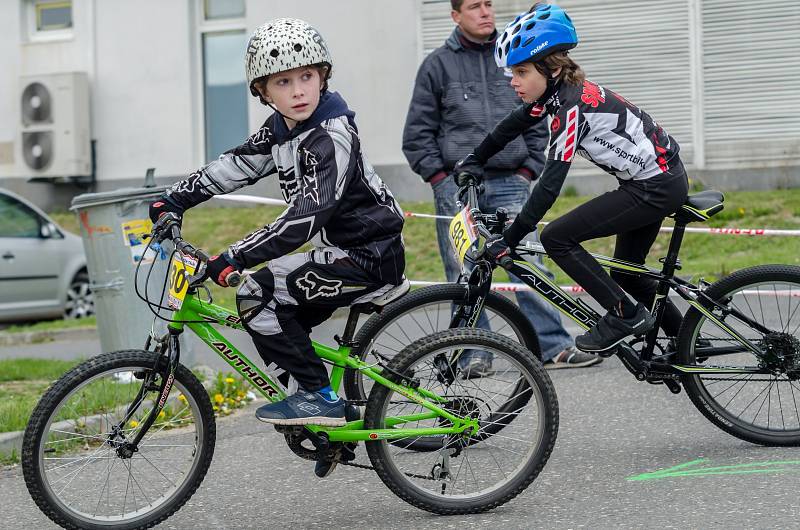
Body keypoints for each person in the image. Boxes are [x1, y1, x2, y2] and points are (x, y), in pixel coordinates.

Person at [149, 18, 406, 428]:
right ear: (263, 92)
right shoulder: (284, 128)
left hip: (369, 257)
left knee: (256, 294)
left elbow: (304, 218)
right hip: (342, 251)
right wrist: (174, 199)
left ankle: (319, 400)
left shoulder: (330, 136)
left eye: (307, 76)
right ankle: (318, 420)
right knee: (278, 327)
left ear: (323, 77)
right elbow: (234, 166)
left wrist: (234, 256)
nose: (299, 90)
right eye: (283, 82)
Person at [456, 3, 689, 353]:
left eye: (520, 72)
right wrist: (475, 159)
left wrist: (513, 236)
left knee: (557, 237)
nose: (513, 82)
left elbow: (550, 185)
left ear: (550, 69)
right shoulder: (555, 95)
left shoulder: (570, 108)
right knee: (627, 273)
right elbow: (513, 124)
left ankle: (625, 313)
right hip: (653, 180)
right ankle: (687, 341)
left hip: (654, 187)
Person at [402, 0, 600, 371]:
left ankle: (553, 344)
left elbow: (543, 114)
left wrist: (528, 168)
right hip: (458, 187)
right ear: (455, 16)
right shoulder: (436, 65)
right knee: (465, 269)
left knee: (530, 262)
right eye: (475, 6)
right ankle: (474, 352)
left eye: (489, 4)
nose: (485, 12)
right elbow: (417, 133)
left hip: (513, 180)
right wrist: (440, 179)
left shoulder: (518, 52)